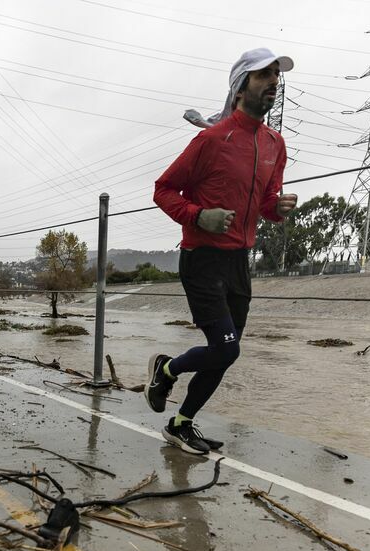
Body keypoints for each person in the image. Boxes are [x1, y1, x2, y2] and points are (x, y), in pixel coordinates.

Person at [146, 48, 299, 454]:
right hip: (202, 259)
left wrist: (278, 209)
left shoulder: (274, 144)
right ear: (240, 85)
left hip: (238, 262)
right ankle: (167, 368)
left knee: (224, 354)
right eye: (263, 75)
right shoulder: (211, 139)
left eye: (276, 76)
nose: (273, 82)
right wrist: (198, 216)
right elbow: (162, 190)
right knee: (226, 346)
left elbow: (267, 203)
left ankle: (181, 423)